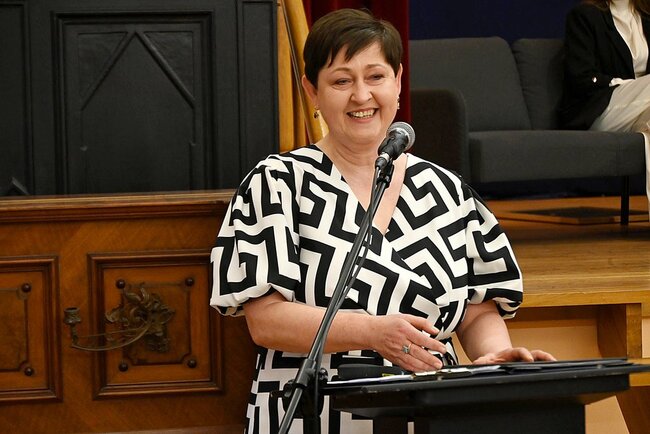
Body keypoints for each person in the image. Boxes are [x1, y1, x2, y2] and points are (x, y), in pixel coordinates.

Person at [210, 8, 554, 434]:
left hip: (430, 414)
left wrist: (492, 357)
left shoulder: (446, 189)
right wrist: (371, 332)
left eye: (376, 76)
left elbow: (476, 310)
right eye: (341, 81)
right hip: (314, 412)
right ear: (311, 91)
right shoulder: (278, 183)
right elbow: (266, 320)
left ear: (398, 82)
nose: (361, 96)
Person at [559, 0, 650, 214]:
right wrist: (625, 85)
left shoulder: (646, 16)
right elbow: (580, 76)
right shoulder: (585, 16)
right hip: (599, 109)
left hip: (641, 105)